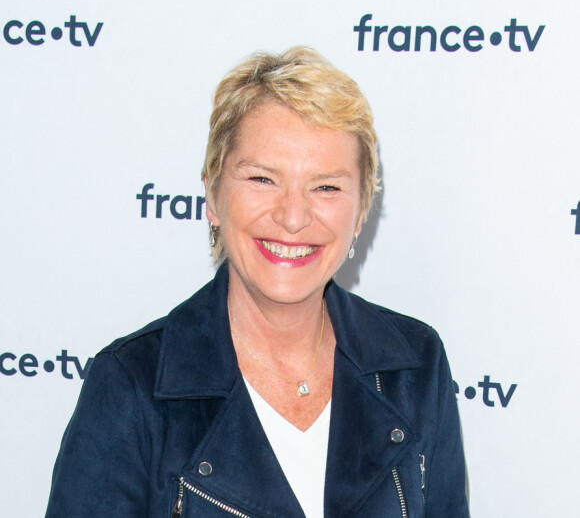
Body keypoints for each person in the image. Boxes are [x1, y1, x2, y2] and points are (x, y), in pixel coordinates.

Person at [46, 47, 469, 517]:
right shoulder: (132, 386)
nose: (292, 216)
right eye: (263, 179)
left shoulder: (414, 365)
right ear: (212, 195)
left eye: (326, 186)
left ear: (360, 212)